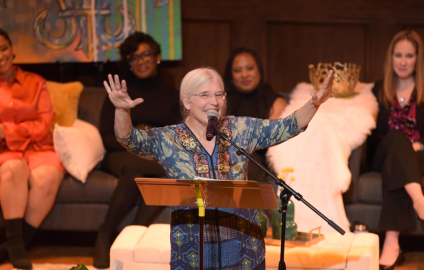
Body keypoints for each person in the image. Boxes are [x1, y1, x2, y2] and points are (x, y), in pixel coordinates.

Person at [103, 67, 333, 269]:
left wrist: (313, 104)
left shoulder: (240, 129)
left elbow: (287, 126)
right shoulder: (169, 140)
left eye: (219, 94)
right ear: (186, 101)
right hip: (193, 255)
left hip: (245, 252)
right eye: (204, 95)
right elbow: (129, 139)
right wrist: (122, 111)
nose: (214, 101)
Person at [0, 28, 65, 269]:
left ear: (12, 48)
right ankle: (17, 248)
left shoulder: (36, 82)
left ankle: (13, 246)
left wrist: (8, 130)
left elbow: (43, 123)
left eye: (3, 49)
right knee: (15, 169)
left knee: (49, 175)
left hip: (36, 148)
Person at [94, 32, 181, 268]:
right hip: (120, 154)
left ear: (157, 57)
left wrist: (150, 136)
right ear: (129, 64)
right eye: (134, 57)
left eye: (146, 55)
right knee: (136, 168)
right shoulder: (120, 91)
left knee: (156, 172)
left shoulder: (169, 94)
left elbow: (176, 134)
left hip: (153, 155)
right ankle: (106, 234)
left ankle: (133, 233)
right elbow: (105, 136)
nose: (141, 61)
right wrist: (133, 136)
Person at [368, 30, 424, 269]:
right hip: (386, 152)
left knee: (399, 165)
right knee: (397, 139)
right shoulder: (378, 90)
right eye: (398, 55)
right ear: (391, 58)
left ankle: (391, 242)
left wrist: (418, 145)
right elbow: (373, 134)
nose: (402, 61)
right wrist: (403, 144)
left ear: (418, 58)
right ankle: (421, 202)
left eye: (409, 55)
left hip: (423, 155)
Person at [223, 47, 287, 186]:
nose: (244, 74)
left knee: (245, 157)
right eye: (238, 70)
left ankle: (258, 206)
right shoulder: (221, 101)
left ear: (259, 70)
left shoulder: (276, 103)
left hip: (259, 161)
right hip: (224, 158)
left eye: (250, 68)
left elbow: (266, 139)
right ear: (230, 75)